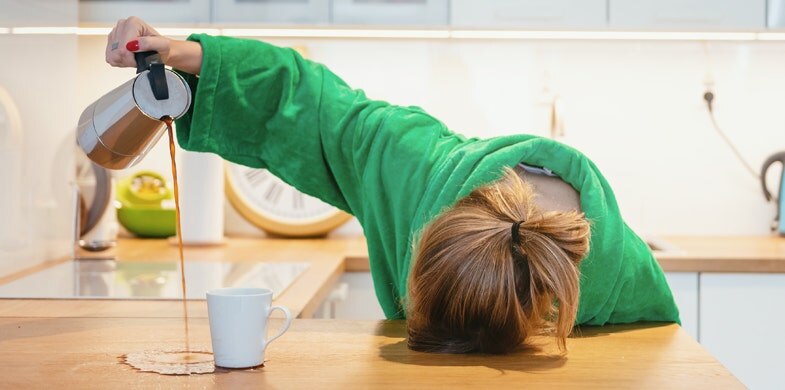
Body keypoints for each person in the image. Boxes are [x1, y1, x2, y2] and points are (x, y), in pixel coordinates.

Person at [105, 17, 680, 354]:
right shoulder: (410, 165)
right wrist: (191, 56)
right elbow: (311, 105)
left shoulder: (620, 280)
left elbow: (653, 360)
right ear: (422, 231)